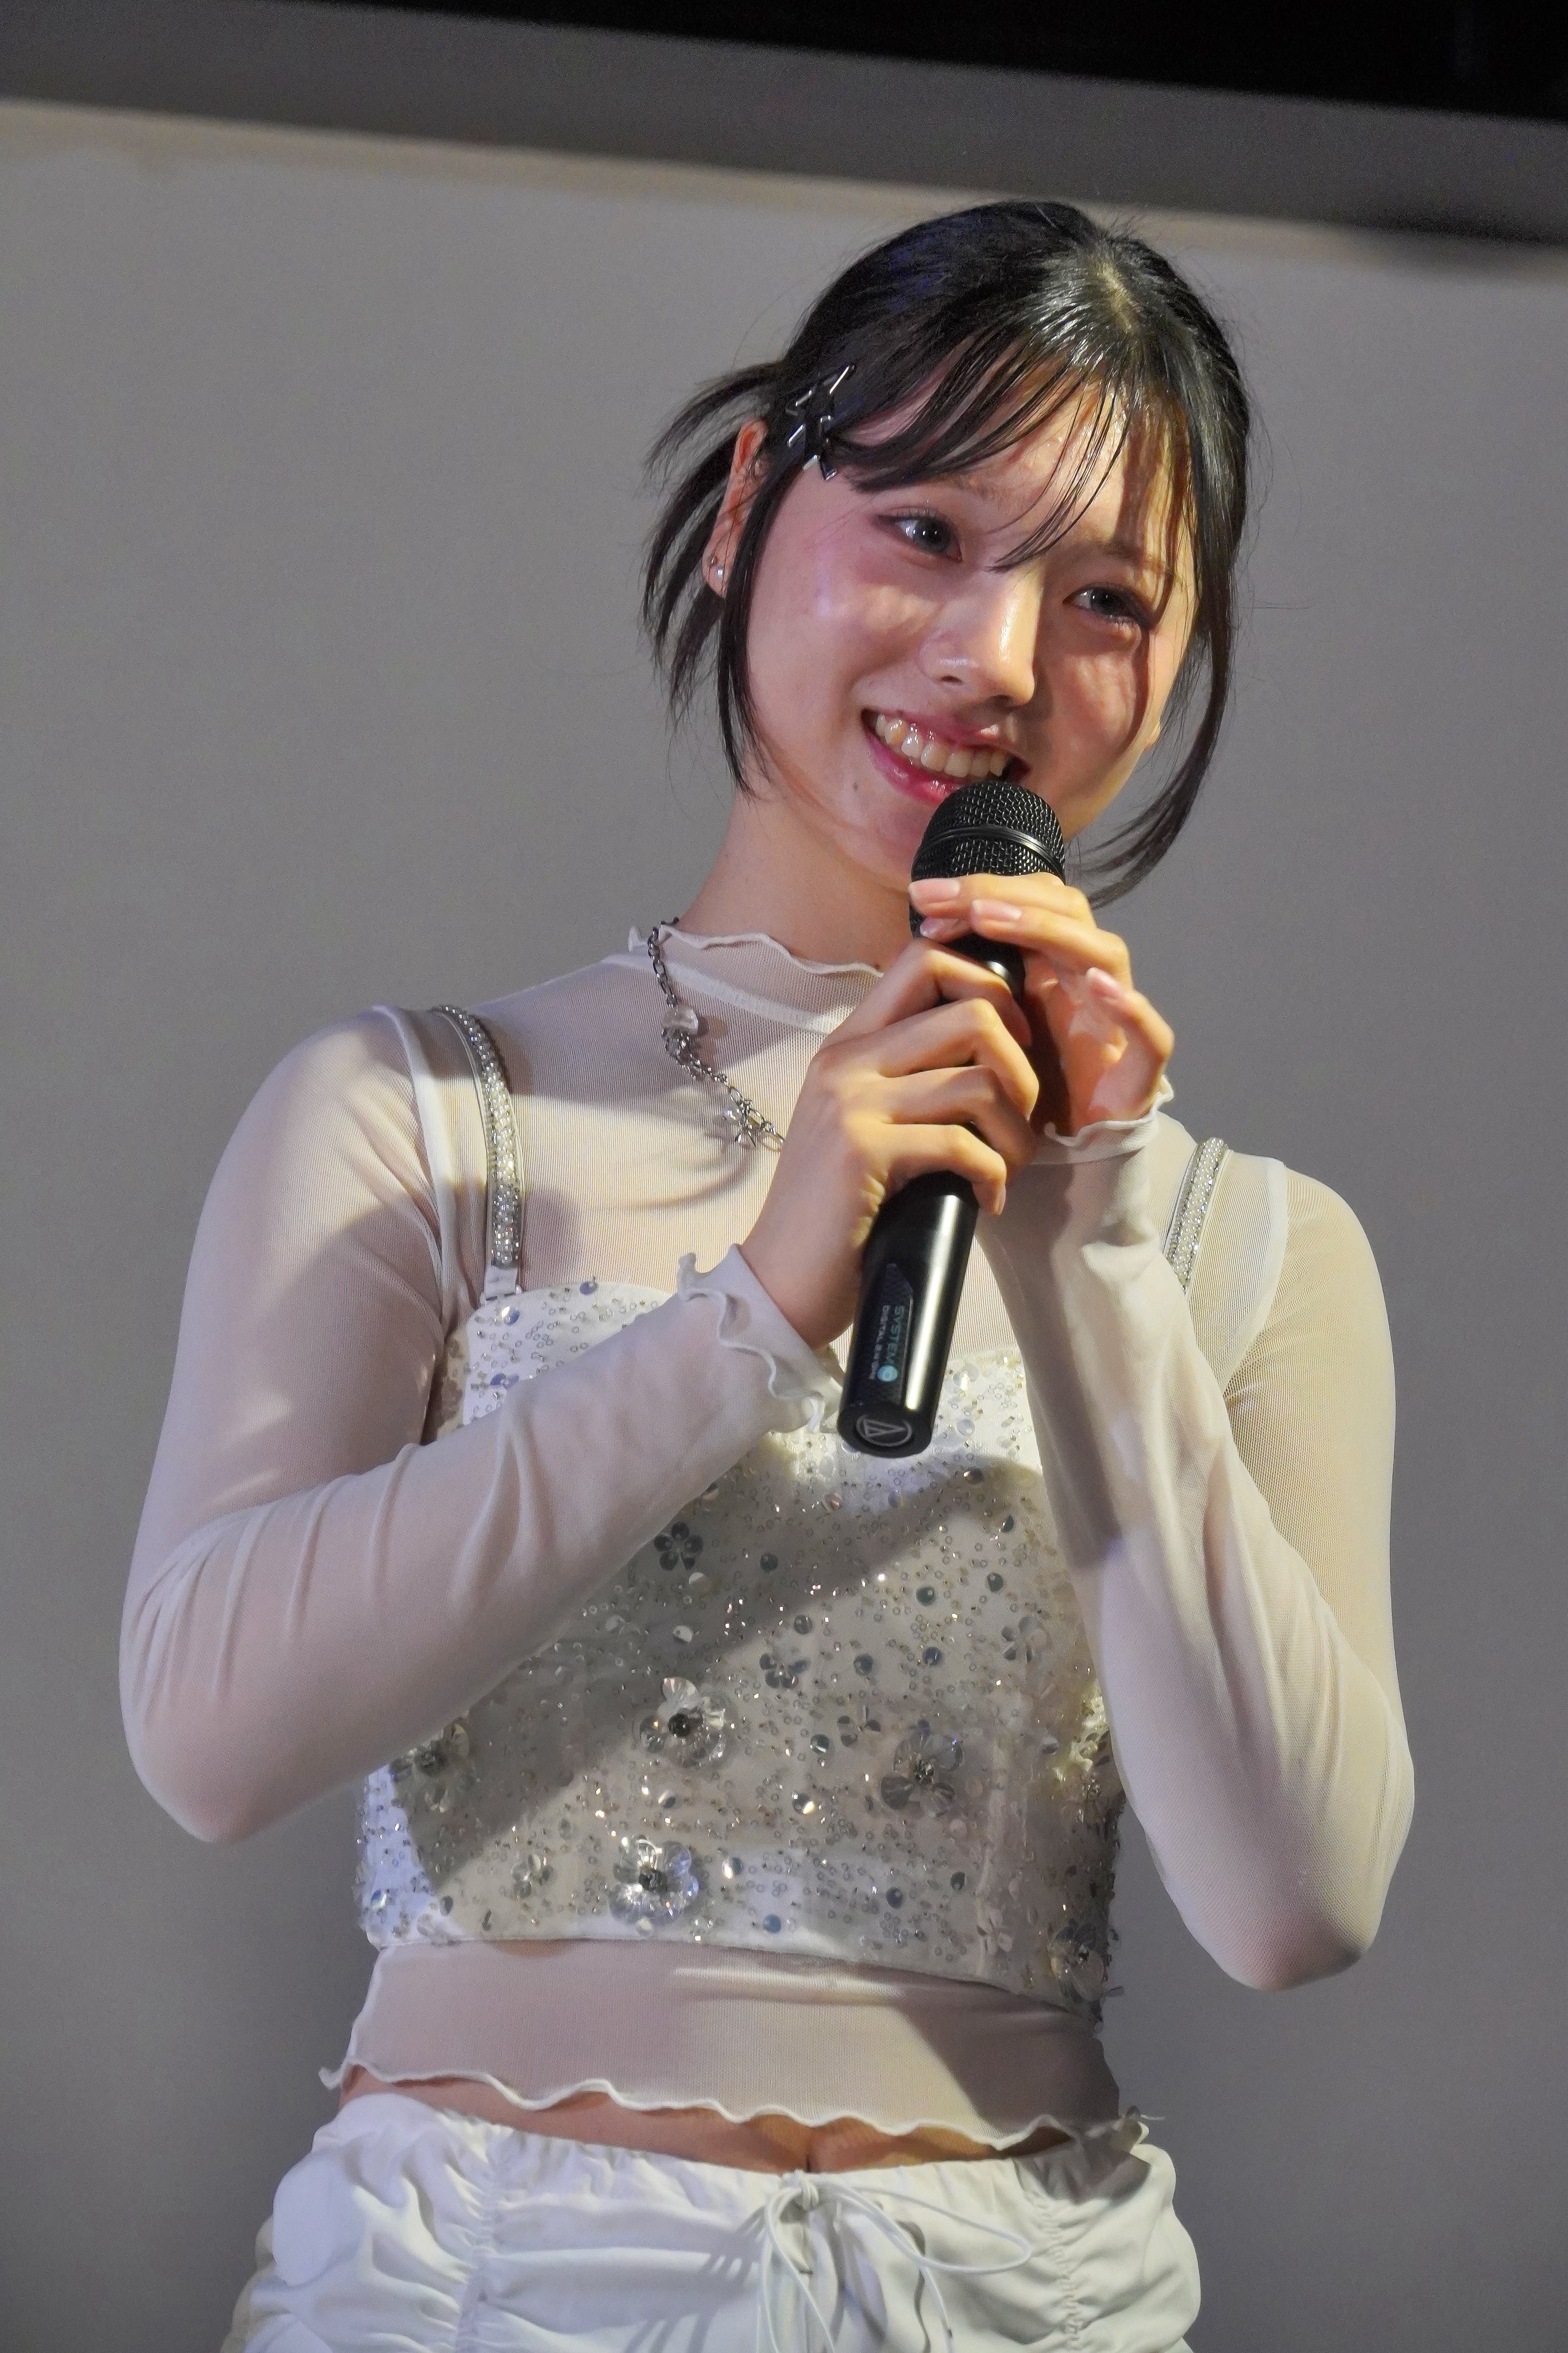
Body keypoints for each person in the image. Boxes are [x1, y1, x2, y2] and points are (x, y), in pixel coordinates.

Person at [122, 201, 1413, 2351]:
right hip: (487, 2282)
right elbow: (208, 1739)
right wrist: (752, 1312)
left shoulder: (1237, 1243)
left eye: (1105, 597)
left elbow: (1293, 1901)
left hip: (1028, 2294)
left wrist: (1085, 1246)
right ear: (744, 512)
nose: (995, 658)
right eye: (923, 531)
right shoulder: (423, 1119)